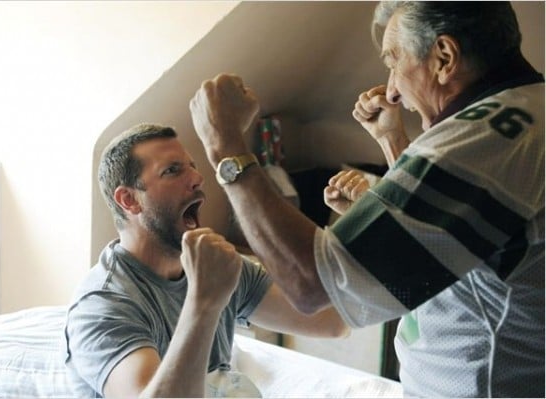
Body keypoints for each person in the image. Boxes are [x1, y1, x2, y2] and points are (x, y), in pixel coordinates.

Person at [189, 2, 544, 397]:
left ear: (444, 57)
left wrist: (227, 151)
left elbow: (313, 285)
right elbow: (449, 234)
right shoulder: (528, 110)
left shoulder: (477, 143)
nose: (392, 88)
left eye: (395, 62)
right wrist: (396, 146)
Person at [64, 123, 349, 398]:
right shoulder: (103, 304)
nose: (198, 179)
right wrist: (205, 298)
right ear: (129, 200)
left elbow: (334, 322)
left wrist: (353, 227)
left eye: (193, 167)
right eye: (172, 170)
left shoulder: (220, 266)